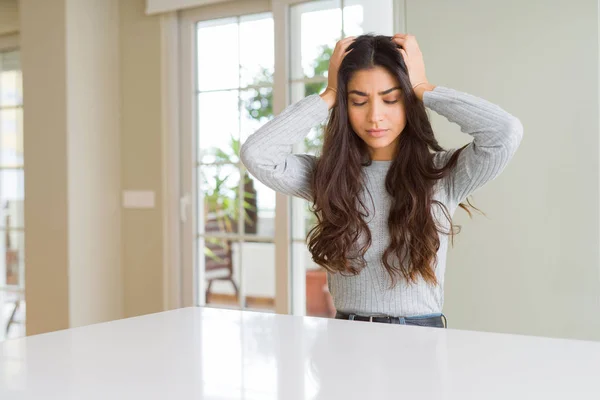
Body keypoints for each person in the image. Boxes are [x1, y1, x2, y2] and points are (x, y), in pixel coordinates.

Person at [240, 33, 523, 328]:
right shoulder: (328, 177)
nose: (375, 116)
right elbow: (257, 153)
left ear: (408, 102)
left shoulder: (441, 174)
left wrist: (424, 88)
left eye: (391, 99)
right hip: (345, 335)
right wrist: (329, 94)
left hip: (418, 336)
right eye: (358, 101)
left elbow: (505, 133)